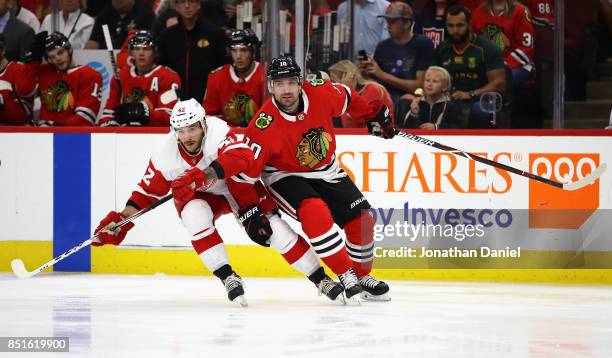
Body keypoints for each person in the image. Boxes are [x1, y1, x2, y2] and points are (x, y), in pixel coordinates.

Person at [93, 98, 346, 305]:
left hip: (239, 188)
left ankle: (320, 279)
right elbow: (144, 195)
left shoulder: (219, 132)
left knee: (274, 232)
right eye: (181, 131)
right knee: (194, 216)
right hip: (202, 196)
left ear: (203, 124)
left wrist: (202, 174)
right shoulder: (165, 156)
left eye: (192, 128)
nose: (188, 136)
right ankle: (228, 277)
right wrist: (121, 220)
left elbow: (243, 157)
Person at [207, 55, 395, 302]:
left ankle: (361, 276)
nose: (286, 90)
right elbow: (242, 178)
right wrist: (250, 210)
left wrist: (371, 116)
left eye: (290, 83)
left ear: (300, 82)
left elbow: (348, 96)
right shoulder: (262, 127)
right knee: (315, 212)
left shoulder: (320, 92)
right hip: (284, 175)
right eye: (279, 84)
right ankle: (345, 274)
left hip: (326, 169)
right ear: (271, 87)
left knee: (363, 221)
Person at [435, 4, 506, 127]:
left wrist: (470, 94)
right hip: (450, 100)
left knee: (480, 109)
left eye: (460, 25)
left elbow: (499, 84)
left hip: (479, 99)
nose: (455, 31)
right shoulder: (443, 48)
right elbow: (433, 76)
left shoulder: (486, 48)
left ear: (470, 24)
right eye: (450, 26)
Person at [359, 2, 435, 110]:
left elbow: (420, 86)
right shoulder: (382, 46)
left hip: (413, 102)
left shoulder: (422, 44)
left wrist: (383, 75)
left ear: (407, 24)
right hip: (384, 101)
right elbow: (374, 80)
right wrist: (364, 71)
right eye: (387, 21)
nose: (388, 25)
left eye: (393, 21)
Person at [99, 30, 181, 127]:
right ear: (131, 53)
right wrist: (111, 123)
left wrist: (144, 115)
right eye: (137, 49)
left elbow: (170, 116)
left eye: (146, 49)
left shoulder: (168, 77)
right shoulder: (121, 76)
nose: (141, 53)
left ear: (155, 52)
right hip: (125, 135)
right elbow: (108, 113)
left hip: (156, 136)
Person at [25, 31, 102, 125]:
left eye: (60, 52)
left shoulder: (90, 75)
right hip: (44, 135)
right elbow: (24, 90)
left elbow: (85, 118)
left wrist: (57, 129)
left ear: (69, 49)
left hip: (72, 136)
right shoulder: (44, 72)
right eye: (52, 57)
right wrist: (33, 61)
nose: (57, 58)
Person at [158, 0, 227, 102]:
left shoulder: (214, 33)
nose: (187, 6)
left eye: (191, 1)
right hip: (174, 100)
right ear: (176, 6)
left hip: (207, 100)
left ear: (199, 4)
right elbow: (162, 70)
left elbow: (222, 68)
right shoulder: (166, 36)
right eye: (182, 2)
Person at [202, 28, 264, 127]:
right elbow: (210, 116)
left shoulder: (265, 74)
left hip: (260, 133)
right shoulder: (217, 77)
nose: (238, 56)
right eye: (234, 50)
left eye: (244, 50)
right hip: (226, 136)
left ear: (253, 52)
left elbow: (273, 114)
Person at [471, 0, 535, 89]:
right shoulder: (477, 13)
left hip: (518, 66)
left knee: (500, 80)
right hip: (487, 67)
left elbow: (526, 48)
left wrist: (501, 65)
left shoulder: (520, 12)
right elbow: (472, 46)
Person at [328, 59, 394, 128]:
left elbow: (359, 118)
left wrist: (346, 87)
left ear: (348, 76)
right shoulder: (357, 91)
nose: (334, 86)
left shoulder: (373, 88)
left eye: (335, 81)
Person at [85, 0, 155, 50]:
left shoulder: (146, 15)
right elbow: (93, 41)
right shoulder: (104, 15)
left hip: (132, 58)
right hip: (105, 60)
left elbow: (148, 45)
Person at [0, 33, 36, 124]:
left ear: (3, 50)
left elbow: (26, 112)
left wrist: (2, 102)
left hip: (14, 133)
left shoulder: (19, 70)